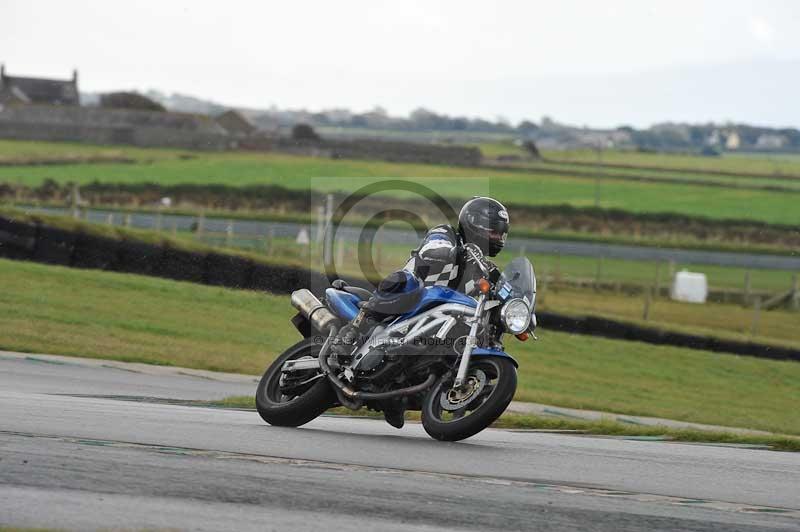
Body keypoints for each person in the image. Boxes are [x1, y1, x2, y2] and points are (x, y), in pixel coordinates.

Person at [339, 197, 511, 428]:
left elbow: (500, 294)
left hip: (441, 319)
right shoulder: (447, 234)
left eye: (501, 235)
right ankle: (353, 330)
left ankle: (401, 394)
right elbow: (433, 247)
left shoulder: (486, 270)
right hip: (411, 300)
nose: (498, 239)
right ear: (474, 224)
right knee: (404, 281)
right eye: (494, 232)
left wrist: (515, 309)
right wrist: (450, 251)